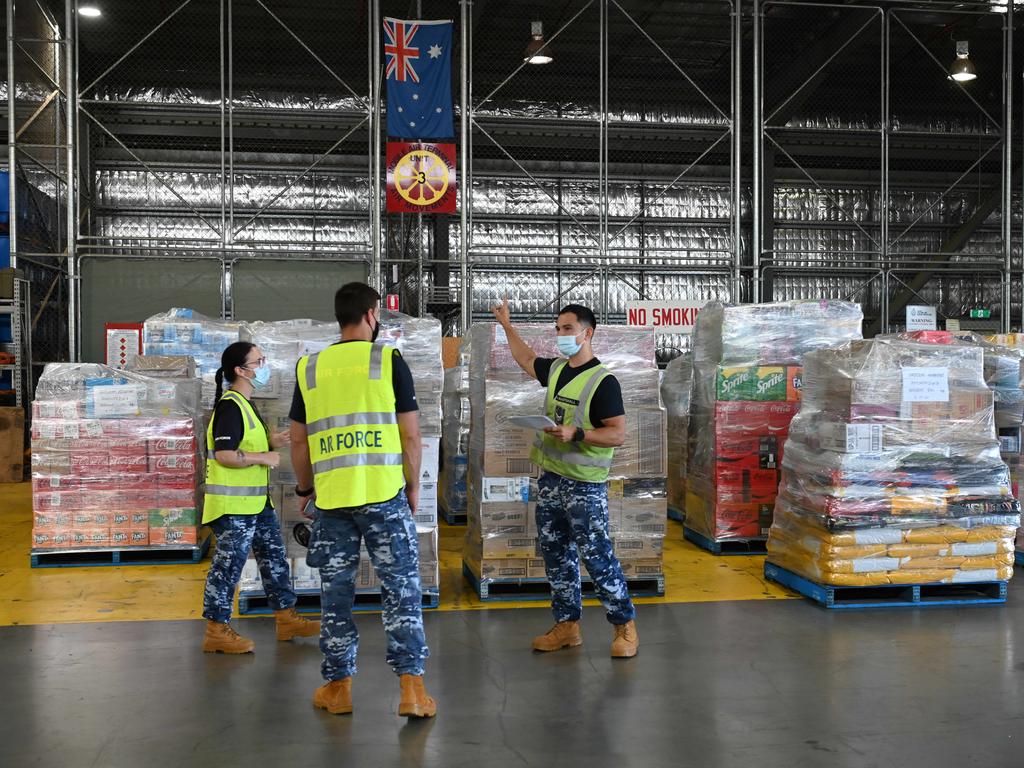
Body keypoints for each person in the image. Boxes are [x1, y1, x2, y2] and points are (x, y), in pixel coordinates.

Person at [290, 282, 435, 718]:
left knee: (335, 596)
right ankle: (411, 691)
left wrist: (304, 488)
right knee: (401, 591)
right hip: (384, 495)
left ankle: (338, 688)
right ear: (372, 314)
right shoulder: (387, 359)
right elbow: (410, 435)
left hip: (333, 501)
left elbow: (299, 443)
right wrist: (412, 486)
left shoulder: (309, 367)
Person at [491, 298, 639, 658]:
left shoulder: (603, 383)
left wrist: (579, 434)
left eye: (567, 329)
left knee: (596, 554)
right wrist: (507, 326)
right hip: (552, 480)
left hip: (585, 486)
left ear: (587, 333)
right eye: (557, 329)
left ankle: (624, 626)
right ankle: (567, 625)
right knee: (556, 554)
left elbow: (617, 434)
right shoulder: (557, 370)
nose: (560, 335)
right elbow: (526, 359)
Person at [201, 341, 320, 653]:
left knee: (274, 558)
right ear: (241, 370)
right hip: (232, 507)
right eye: (259, 361)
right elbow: (225, 454)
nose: (264, 365)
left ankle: (286, 617)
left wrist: (272, 440)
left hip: (255, 503)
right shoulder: (230, 405)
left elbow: (244, 440)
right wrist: (264, 457)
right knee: (228, 566)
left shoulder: (246, 404)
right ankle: (216, 628)